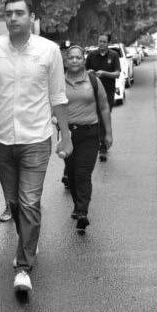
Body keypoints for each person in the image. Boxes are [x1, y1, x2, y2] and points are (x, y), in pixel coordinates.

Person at [0, 0, 72, 293]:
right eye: (8, 13)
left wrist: (65, 135)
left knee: (29, 201)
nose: (13, 18)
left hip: (36, 138)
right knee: (14, 202)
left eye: (19, 13)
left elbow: (58, 96)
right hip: (2, 139)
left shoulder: (49, 51)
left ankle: (24, 267)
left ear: (32, 18)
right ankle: (28, 240)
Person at [62, 45, 113, 232]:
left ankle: (82, 212)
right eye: (71, 57)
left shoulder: (93, 80)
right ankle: (78, 205)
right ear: (66, 61)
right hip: (67, 135)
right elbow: (52, 105)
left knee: (83, 174)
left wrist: (108, 133)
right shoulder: (58, 82)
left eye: (78, 57)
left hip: (90, 134)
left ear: (83, 60)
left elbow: (104, 106)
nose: (75, 60)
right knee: (72, 174)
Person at [85, 33, 121, 162]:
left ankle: (103, 146)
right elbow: (83, 72)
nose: (101, 44)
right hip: (92, 91)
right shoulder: (91, 55)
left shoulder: (114, 55)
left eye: (104, 42)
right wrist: (89, 73)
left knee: (104, 117)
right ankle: (95, 143)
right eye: (100, 41)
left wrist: (104, 73)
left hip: (108, 92)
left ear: (108, 43)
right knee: (95, 118)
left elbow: (117, 74)